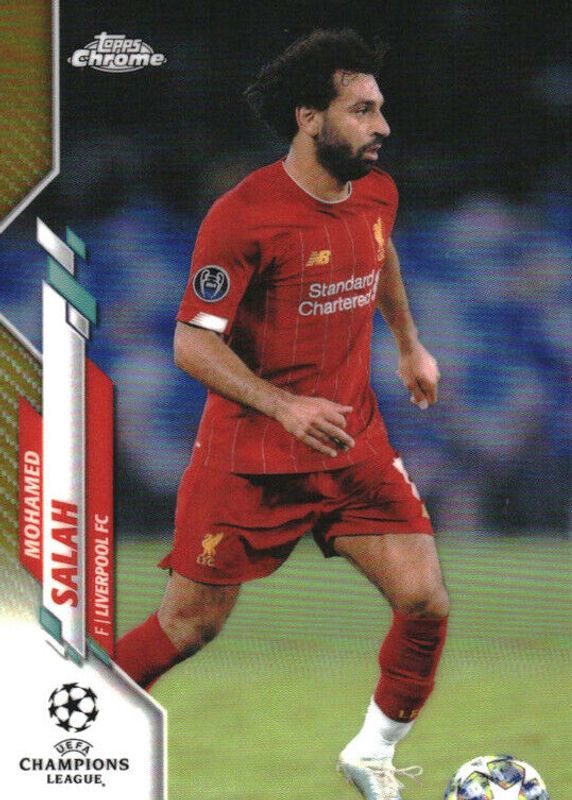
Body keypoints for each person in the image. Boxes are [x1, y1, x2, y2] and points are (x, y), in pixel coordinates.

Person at [116, 28, 449, 800]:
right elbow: (191, 343)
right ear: (309, 118)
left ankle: (370, 753)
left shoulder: (378, 191)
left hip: (352, 444)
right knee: (187, 628)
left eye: (380, 108)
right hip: (251, 462)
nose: (382, 126)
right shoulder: (244, 216)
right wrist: (283, 404)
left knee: (424, 601)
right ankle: (62, 731)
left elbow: (381, 250)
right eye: (362, 111)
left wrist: (409, 345)